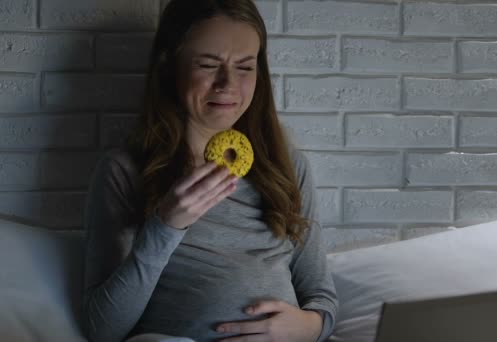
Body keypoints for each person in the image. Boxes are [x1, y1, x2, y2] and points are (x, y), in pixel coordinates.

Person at [80, 0, 338, 341]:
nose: (227, 83)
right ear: (169, 67)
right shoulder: (125, 171)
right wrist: (165, 227)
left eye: (245, 67)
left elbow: (321, 297)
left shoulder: (288, 168)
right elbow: (103, 329)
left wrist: (308, 328)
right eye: (207, 64)